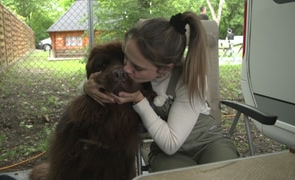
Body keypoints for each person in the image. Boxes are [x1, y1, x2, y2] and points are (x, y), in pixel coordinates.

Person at [81, 11, 239, 172]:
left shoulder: (190, 80)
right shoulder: (136, 66)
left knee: (225, 173)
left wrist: (139, 100)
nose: (126, 69)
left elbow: (171, 142)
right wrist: (86, 86)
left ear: (164, 70)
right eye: (126, 58)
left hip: (208, 142)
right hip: (167, 152)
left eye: (137, 67)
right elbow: (104, 73)